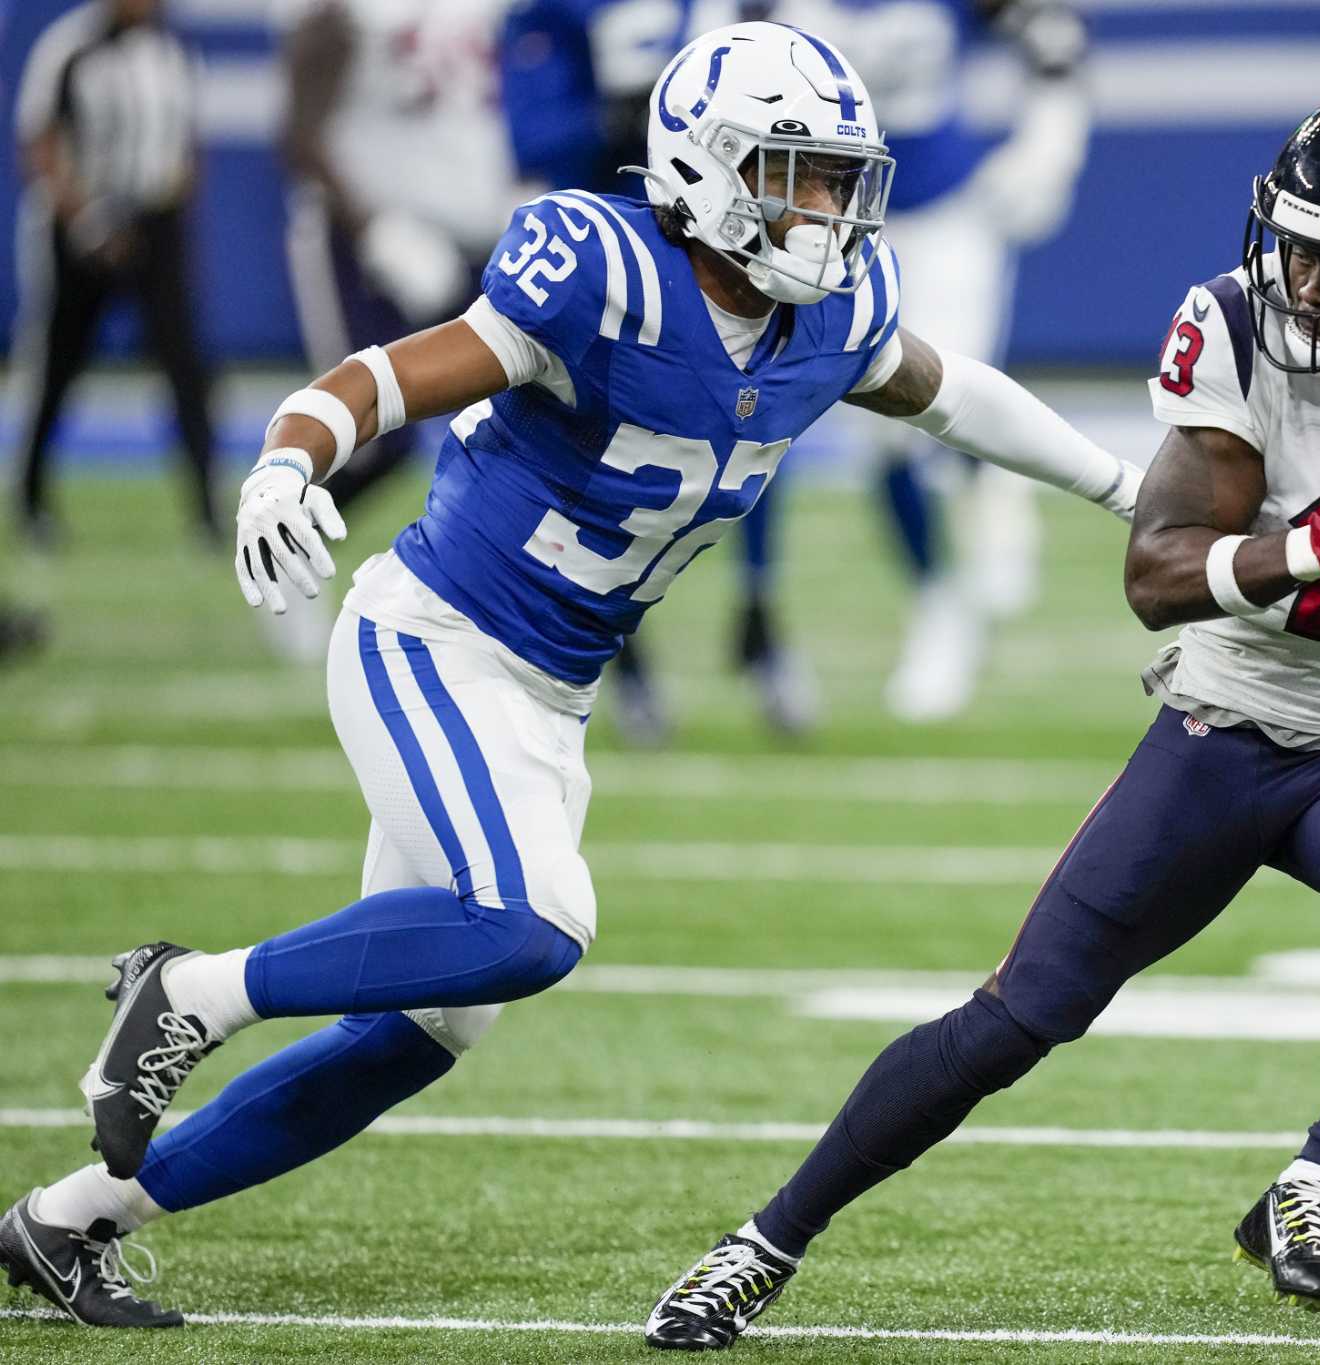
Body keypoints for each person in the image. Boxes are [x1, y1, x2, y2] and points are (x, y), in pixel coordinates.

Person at [0, 22, 1140, 1329]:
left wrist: (1121, 485)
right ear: (706, 171)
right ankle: (188, 991)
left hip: (548, 699)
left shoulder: (833, 316)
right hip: (431, 642)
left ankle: (71, 1218)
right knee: (532, 925)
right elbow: (388, 376)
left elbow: (955, 394)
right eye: (795, 174)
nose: (824, 209)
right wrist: (287, 460)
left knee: (415, 1034)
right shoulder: (600, 267)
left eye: (836, 178)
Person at [643, 86, 1320, 1351]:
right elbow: (1156, 574)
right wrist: (1317, 542)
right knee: (1013, 1020)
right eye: (1297, 248)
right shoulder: (1235, 329)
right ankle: (761, 1244)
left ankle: (1312, 1179)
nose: (1305, 284)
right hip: (1225, 730)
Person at [689, 0, 1093, 726]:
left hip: (943, 213)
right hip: (821, 220)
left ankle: (989, 487)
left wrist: (1051, 140)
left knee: (945, 392)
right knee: (882, 430)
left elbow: (1052, 35)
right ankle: (939, 597)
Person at [267, 0, 526, 662]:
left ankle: (489, 604)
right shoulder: (347, 12)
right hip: (371, 243)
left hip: (475, 236)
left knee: (520, 425)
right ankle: (281, 544)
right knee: (373, 439)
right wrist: (376, 229)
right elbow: (299, 130)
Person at [499, 0, 688, 741]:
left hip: (708, 254)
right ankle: (619, 663)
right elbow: (531, 138)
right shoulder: (547, 17)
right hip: (597, 265)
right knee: (593, 463)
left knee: (754, 430)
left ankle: (763, 615)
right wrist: (612, 119)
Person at [10, 0, 217, 547]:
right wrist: (84, 216)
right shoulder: (69, 46)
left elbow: (185, 142)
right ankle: (30, 502)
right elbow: (40, 139)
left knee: (186, 366)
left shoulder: (172, 46)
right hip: (83, 222)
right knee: (57, 364)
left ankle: (209, 510)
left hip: (154, 222)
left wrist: (171, 217)